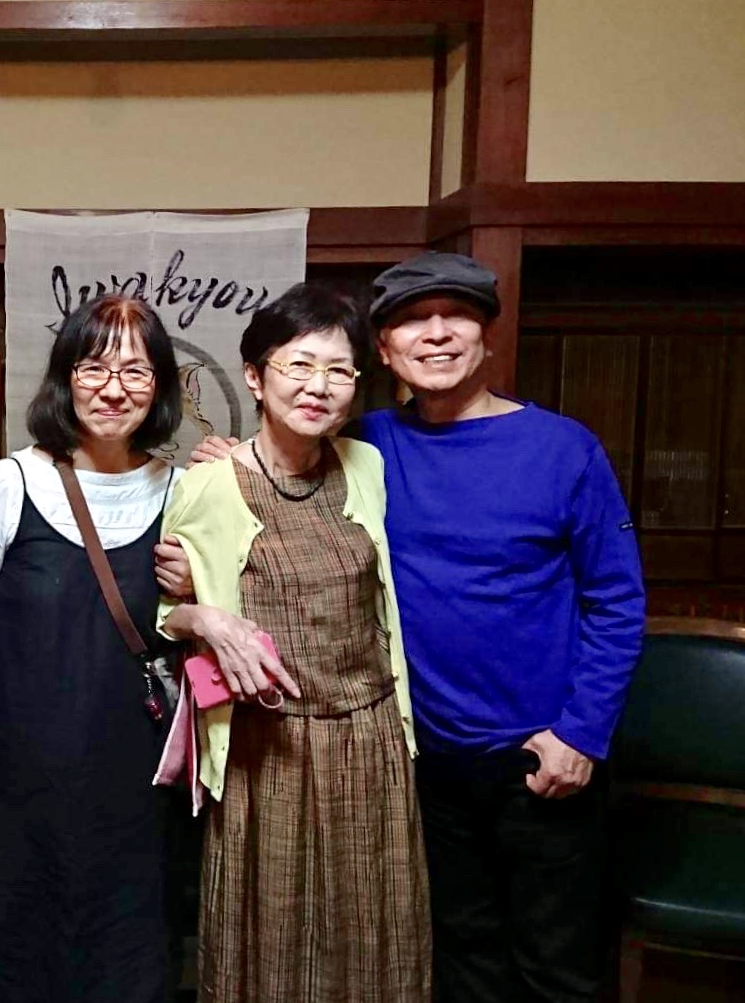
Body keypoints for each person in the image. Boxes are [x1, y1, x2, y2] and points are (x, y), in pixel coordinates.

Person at [189, 253, 647, 1002]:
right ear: (384, 347)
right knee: (457, 959)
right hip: (416, 759)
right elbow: (275, 486)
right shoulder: (363, 447)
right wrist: (214, 500)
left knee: (556, 968)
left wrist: (582, 732)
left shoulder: (564, 448)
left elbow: (618, 601)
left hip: (540, 754)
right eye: (411, 320)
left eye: (456, 315)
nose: (435, 333)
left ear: (487, 336)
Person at [156, 282, 431, 1003]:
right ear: (255, 376)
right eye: (298, 365)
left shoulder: (367, 465)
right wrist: (207, 618)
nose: (319, 386)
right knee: (272, 936)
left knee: (374, 928)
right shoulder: (208, 484)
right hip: (266, 746)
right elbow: (166, 615)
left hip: (369, 736)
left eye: (339, 370)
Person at [0, 294, 186, 1003]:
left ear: (159, 385)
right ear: (66, 378)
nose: (113, 387)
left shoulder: (184, 491)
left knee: (123, 945)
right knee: (9, 938)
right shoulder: (10, 482)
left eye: (135, 370)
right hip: (16, 771)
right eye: (93, 367)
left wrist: (197, 588)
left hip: (133, 772)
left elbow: (200, 628)